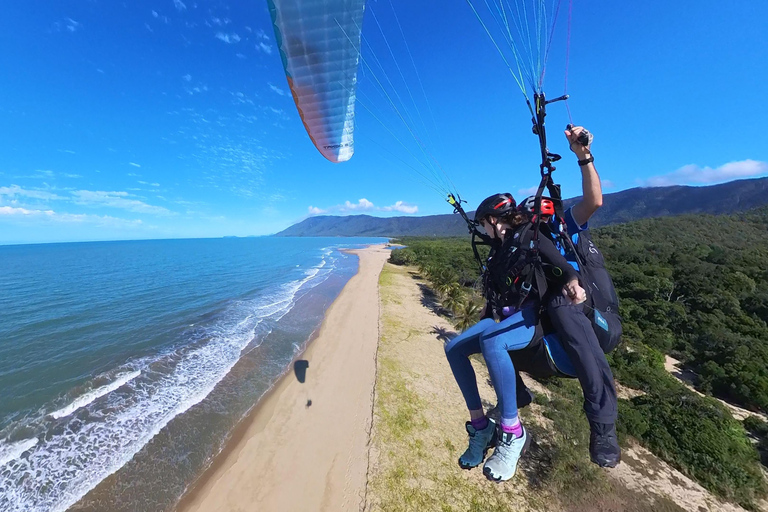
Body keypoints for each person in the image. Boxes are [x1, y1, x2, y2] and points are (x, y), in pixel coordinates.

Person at [444, 192, 586, 482]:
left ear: (493, 220)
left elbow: (563, 266)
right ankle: (481, 426)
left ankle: (512, 431)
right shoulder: (499, 250)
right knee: (453, 348)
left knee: (493, 342)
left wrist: (573, 285)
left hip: (531, 318)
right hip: (504, 318)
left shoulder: (529, 238)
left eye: (484, 223)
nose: (483, 229)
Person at [517, 125, 621, 468]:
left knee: (563, 307)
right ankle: (516, 393)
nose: (538, 220)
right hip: (543, 302)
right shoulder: (525, 243)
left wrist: (583, 155)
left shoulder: (565, 227)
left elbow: (594, 202)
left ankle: (603, 425)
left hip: (576, 297)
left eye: (542, 214)